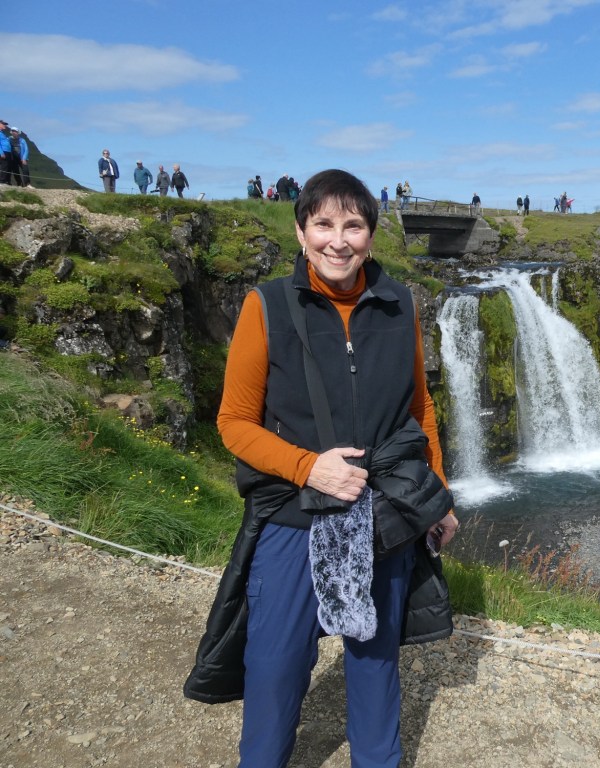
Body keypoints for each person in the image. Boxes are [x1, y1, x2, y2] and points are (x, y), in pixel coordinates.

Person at [183, 169, 459, 768]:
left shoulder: (400, 304)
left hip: (383, 513)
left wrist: (438, 497)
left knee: (375, 661)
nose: (339, 240)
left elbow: (420, 408)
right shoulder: (266, 306)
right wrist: (308, 467)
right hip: (292, 515)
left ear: (371, 235)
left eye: (353, 225)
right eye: (324, 224)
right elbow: (234, 422)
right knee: (276, 666)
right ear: (301, 232)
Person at [0, 119, 10, 185]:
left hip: (7, 151)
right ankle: (2, 181)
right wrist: (1, 152)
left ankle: (4, 180)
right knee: (4, 166)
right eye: (3, 124)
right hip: (3, 151)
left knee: (6, 166)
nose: (5, 125)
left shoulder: (2, 133)